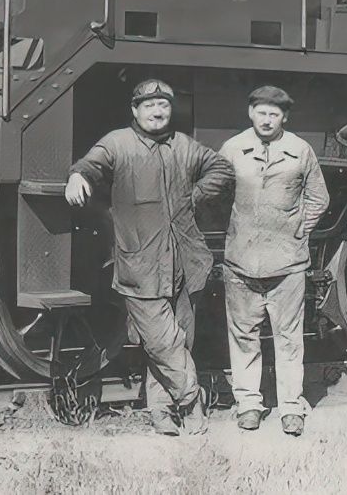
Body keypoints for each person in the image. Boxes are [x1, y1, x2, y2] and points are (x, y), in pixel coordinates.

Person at [65, 78, 231, 436]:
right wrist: (77, 176)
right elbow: (92, 163)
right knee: (162, 342)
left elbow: (221, 168)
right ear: (135, 110)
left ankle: (160, 411)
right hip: (141, 265)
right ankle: (192, 402)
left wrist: (197, 195)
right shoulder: (118, 143)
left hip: (186, 261)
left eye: (164, 105)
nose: (157, 111)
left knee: (179, 341)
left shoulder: (184, 146)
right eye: (149, 105)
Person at [201, 85, 329, 437]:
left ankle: (291, 407)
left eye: (274, 114)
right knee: (244, 335)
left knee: (289, 338)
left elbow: (318, 198)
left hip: (287, 264)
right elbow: (213, 193)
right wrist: (232, 229)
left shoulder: (300, 150)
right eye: (261, 112)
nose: (267, 119)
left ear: (284, 117)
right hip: (241, 261)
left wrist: (298, 230)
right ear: (251, 113)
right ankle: (248, 405)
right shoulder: (232, 149)